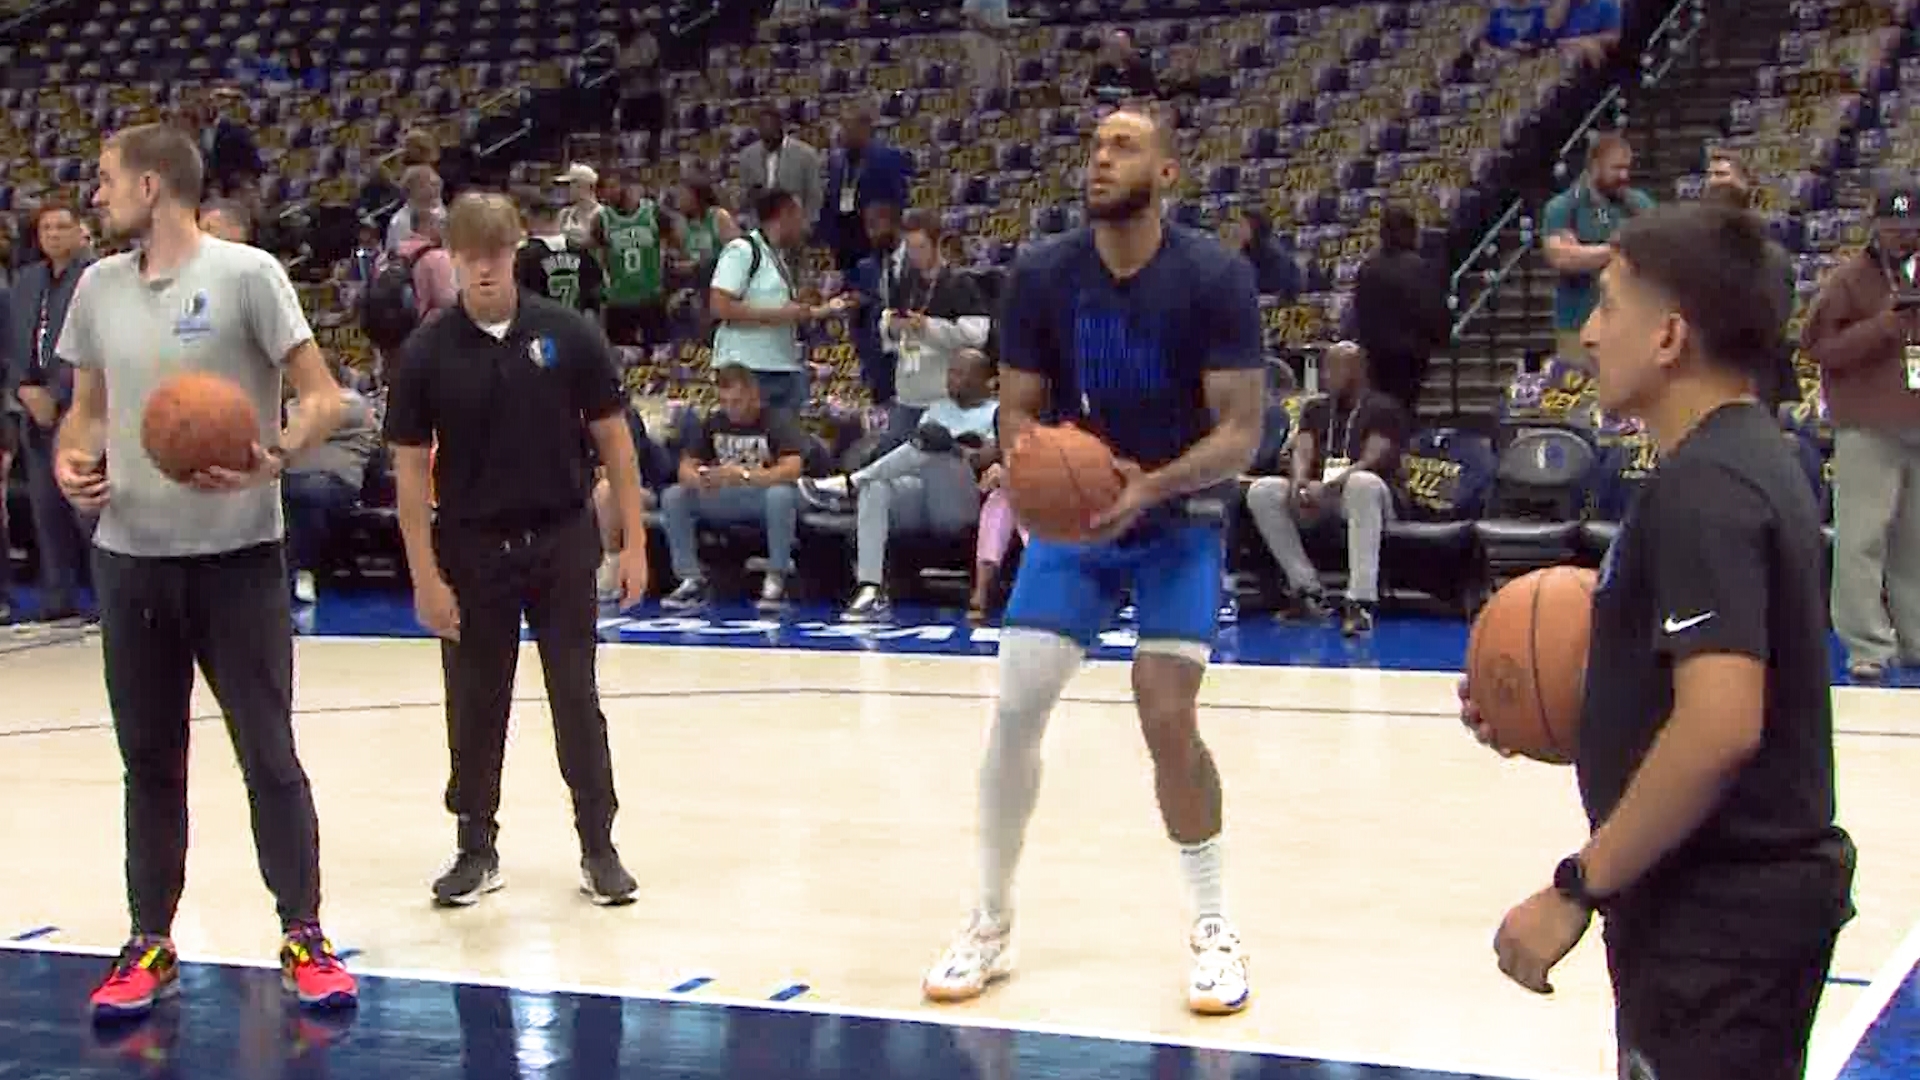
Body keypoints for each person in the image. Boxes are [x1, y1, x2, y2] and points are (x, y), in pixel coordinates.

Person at [1464, 202, 1855, 1078]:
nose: (1592, 335)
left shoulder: (1704, 488)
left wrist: (1577, 886)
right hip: (1736, 911)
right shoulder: (1752, 455)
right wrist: (1553, 703)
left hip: (1717, 923)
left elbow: (1720, 727)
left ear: (1671, 335)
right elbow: (1698, 693)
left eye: (1607, 306)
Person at [921, 105, 1266, 1014]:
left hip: (1176, 514)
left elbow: (1242, 431)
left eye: (1125, 146)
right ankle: (989, 922)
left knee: (1165, 713)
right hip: (1079, 525)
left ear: (1169, 175)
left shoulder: (1214, 277)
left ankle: (1214, 926)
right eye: (1096, 146)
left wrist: (1145, 488)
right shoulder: (1042, 274)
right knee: (1016, 705)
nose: (1102, 159)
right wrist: (1049, 478)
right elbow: (1018, 414)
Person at [49, 122, 356, 1018]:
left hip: (239, 560)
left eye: (106, 179)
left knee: (269, 755)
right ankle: (150, 941)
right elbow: (85, 415)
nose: (94, 193)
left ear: (153, 187)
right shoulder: (98, 290)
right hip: (131, 561)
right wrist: (75, 458)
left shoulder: (248, 274)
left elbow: (323, 396)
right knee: (149, 761)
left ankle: (304, 932)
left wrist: (277, 452)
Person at [383, 192, 649, 908]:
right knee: (474, 700)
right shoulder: (427, 352)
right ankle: (476, 844)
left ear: (514, 256)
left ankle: (598, 844)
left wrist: (632, 543)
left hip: (562, 536)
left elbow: (616, 443)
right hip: (470, 544)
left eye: (496, 256)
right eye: (470, 259)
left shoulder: (566, 333)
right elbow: (409, 471)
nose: (485, 270)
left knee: (575, 694)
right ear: (454, 263)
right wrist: (423, 575)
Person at [1800, 181, 1920, 683]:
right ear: (1876, 228)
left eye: (1911, 227)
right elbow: (1818, 347)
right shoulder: (1850, 280)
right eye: (1894, 227)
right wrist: (1887, 326)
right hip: (1868, 424)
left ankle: (1915, 639)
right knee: (1861, 540)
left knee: (1914, 543)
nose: (1903, 237)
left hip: (1916, 423)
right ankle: (1868, 646)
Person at [799, 347, 999, 621]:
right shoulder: (936, 409)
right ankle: (870, 589)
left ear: (984, 379)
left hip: (962, 498)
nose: (952, 379)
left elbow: (983, 458)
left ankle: (848, 484)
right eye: (950, 372)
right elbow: (913, 455)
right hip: (920, 496)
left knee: (932, 441)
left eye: (961, 374)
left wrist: (949, 447)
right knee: (877, 486)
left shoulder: (996, 412)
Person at [1243, 340, 1408, 636]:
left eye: (1333, 368)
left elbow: (1371, 460)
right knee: (1264, 490)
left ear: (1357, 371)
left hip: (1368, 500)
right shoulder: (1316, 408)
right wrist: (1299, 483)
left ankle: (1360, 602)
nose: (1325, 375)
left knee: (1362, 484)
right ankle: (1308, 591)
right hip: (1320, 496)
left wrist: (1329, 486)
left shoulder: (1384, 408)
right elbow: (1302, 449)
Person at [658, 364, 807, 611]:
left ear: (754, 396)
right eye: (724, 401)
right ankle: (691, 580)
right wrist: (699, 478)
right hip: (728, 494)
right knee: (674, 496)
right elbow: (686, 466)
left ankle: (777, 578)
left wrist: (746, 476)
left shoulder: (776, 420)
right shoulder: (715, 422)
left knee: (780, 495)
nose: (731, 408)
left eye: (737, 401)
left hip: (767, 494)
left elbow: (792, 469)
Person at [9, 204, 95, 623]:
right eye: (46, 227)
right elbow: (12, 345)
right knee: (46, 508)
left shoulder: (97, 278)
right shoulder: (25, 282)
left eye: (63, 226)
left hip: (83, 406)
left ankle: (109, 599)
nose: (54, 234)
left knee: (88, 509)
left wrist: (56, 395)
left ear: (82, 231)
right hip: (32, 406)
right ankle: (58, 596)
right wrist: (24, 389)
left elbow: (92, 346)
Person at [707, 190, 853, 415]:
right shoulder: (742, 250)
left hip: (780, 365)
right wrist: (783, 314)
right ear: (786, 214)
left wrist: (819, 310)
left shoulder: (775, 257)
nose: (804, 226)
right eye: (800, 217)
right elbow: (720, 306)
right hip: (748, 370)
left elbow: (782, 309)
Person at [1542, 133, 1656, 369]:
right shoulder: (1563, 207)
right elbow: (1563, 258)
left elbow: (1658, 248)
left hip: (1629, 323)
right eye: (1616, 168)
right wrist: (1620, 248)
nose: (1624, 175)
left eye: (1627, 168)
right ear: (1595, 166)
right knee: (1581, 397)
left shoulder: (1639, 202)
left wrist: (1587, 252)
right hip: (1577, 324)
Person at [593, 173, 675, 348]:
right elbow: (599, 257)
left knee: (659, 353)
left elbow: (674, 243)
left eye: (614, 186)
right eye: (606, 188)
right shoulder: (601, 219)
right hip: (620, 298)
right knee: (623, 354)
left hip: (651, 295)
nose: (610, 192)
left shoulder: (654, 212)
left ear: (627, 186)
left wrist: (666, 275)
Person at [517, 202, 605, 318]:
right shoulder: (580, 251)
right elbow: (595, 291)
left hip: (540, 326)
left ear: (535, 219)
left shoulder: (525, 255)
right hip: (576, 324)